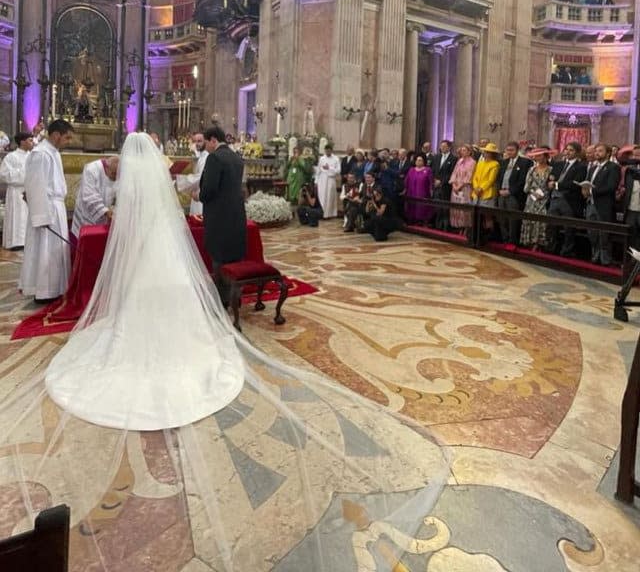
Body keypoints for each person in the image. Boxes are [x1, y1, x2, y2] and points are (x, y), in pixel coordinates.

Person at [0, 131, 449, 571]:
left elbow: (126, 229)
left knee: (136, 302)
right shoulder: (165, 180)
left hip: (142, 258)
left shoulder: (133, 186)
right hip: (168, 253)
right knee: (177, 299)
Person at [19, 119, 74, 302]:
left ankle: (56, 288)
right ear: (56, 135)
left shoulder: (53, 152)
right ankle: (44, 291)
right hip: (47, 209)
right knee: (44, 250)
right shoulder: (40, 154)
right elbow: (35, 185)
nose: (69, 142)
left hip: (55, 206)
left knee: (54, 251)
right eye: (67, 138)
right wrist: (41, 216)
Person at [199, 125, 246, 283]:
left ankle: (222, 299)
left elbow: (209, 189)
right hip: (236, 215)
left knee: (219, 258)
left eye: (205, 143)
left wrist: (198, 196)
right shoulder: (236, 158)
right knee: (234, 258)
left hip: (218, 217)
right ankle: (235, 296)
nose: (205, 148)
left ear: (213, 140)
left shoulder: (215, 158)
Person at [546, 141, 586, 256]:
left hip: (569, 200)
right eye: (566, 149)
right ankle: (551, 248)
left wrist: (556, 184)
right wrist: (549, 183)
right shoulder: (558, 164)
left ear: (577, 153)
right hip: (554, 198)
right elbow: (551, 178)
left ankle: (567, 250)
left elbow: (575, 184)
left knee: (568, 227)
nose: (567, 152)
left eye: (571, 150)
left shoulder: (581, 167)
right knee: (551, 225)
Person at [582, 143, 619, 266]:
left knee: (604, 234)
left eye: (600, 151)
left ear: (608, 153)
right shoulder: (592, 167)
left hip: (604, 206)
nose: (597, 153)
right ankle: (595, 255)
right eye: (596, 151)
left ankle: (605, 260)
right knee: (592, 232)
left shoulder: (613, 167)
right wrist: (584, 189)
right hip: (590, 204)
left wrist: (592, 190)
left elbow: (611, 187)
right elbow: (587, 183)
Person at [71, 156, 119, 240]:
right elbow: (89, 195)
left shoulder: (117, 171)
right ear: (107, 168)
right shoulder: (91, 169)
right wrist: (105, 211)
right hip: (87, 215)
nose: (115, 178)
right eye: (113, 174)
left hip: (104, 219)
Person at [0, 131, 33, 249]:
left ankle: (28, 241)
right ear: (22, 142)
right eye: (30, 140)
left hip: (30, 191)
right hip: (16, 191)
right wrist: (24, 173)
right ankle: (15, 242)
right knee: (17, 216)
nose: (32, 142)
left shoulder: (33, 156)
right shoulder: (11, 157)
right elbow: (4, 174)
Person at [496, 141, 533, 248]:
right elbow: (499, 178)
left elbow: (522, 181)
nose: (509, 152)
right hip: (501, 193)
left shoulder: (524, 162)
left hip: (513, 195)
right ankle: (505, 239)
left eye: (512, 150)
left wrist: (511, 191)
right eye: (507, 150)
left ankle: (512, 241)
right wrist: (499, 190)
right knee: (502, 219)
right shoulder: (504, 162)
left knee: (513, 219)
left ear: (517, 150)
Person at [520, 148, 552, 251]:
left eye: (540, 155)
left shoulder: (551, 170)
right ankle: (528, 242)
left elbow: (551, 186)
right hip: (532, 198)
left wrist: (544, 193)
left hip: (544, 199)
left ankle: (538, 243)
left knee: (541, 221)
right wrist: (533, 192)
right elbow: (526, 187)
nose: (537, 158)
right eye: (536, 156)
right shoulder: (532, 169)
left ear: (546, 156)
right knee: (529, 219)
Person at [449, 144, 476, 231]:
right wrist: (454, 184)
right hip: (456, 187)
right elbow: (454, 173)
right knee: (456, 208)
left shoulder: (472, 162)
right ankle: (458, 227)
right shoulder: (459, 161)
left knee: (464, 209)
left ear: (469, 152)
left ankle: (466, 227)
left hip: (465, 187)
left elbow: (469, 176)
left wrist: (460, 186)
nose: (462, 152)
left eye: (464, 150)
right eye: (461, 150)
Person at [403, 154, 434, 225]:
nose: (418, 162)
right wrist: (405, 189)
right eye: (417, 160)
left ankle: (422, 221)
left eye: (420, 160)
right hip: (411, 191)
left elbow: (431, 181)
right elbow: (406, 180)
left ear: (424, 161)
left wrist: (431, 190)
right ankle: (412, 220)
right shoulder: (411, 170)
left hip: (423, 192)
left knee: (422, 206)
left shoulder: (427, 170)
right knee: (411, 205)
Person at [315, 143, 340, 218]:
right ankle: (321, 213)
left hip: (330, 180)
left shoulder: (336, 159)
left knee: (329, 196)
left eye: (329, 151)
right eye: (326, 151)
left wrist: (329, 168)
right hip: (322, 180)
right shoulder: (322, 158)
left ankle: (329, 214)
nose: (327, 152)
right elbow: (318, 171)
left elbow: (338, 170)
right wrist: (316, 181)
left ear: (331, 150)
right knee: (322, 196)